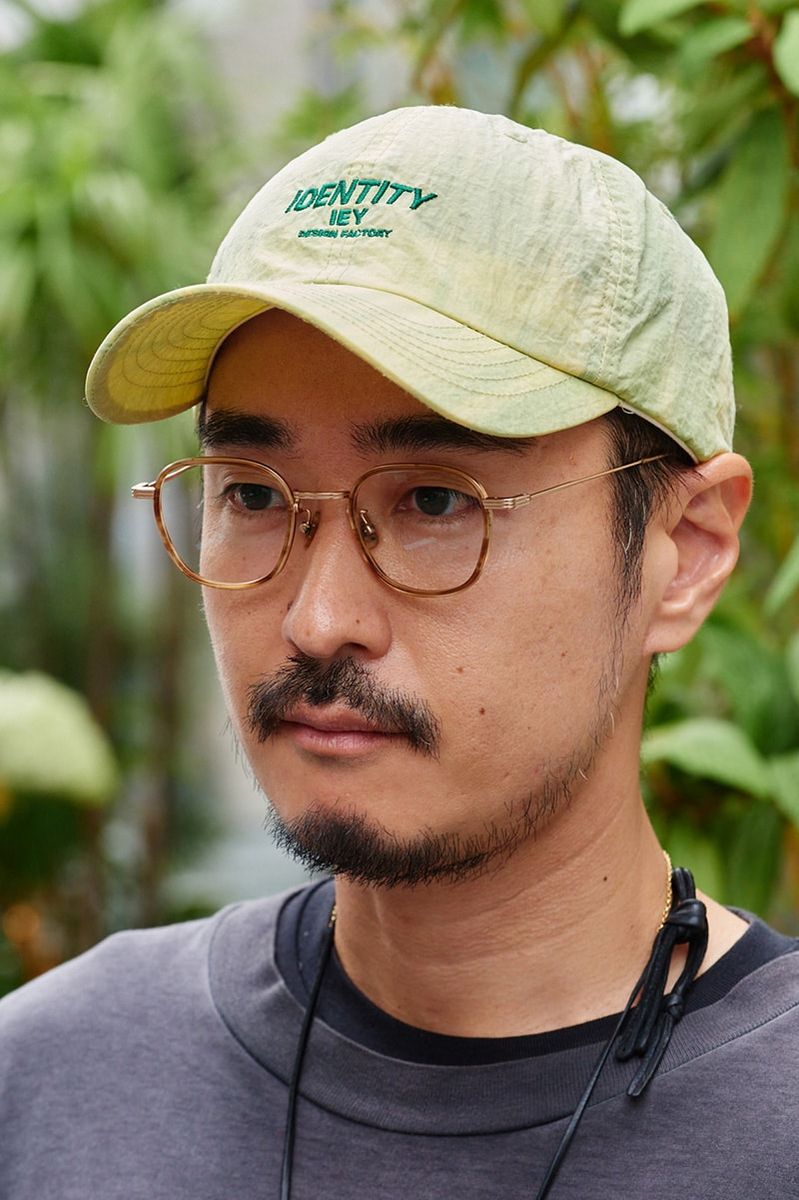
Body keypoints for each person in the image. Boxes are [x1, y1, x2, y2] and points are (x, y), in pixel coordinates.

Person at [1, 105, 796, 1200]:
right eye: (251, 495)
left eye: (434, 500)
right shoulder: (54, 1085)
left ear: (686, 552)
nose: (318, 619)